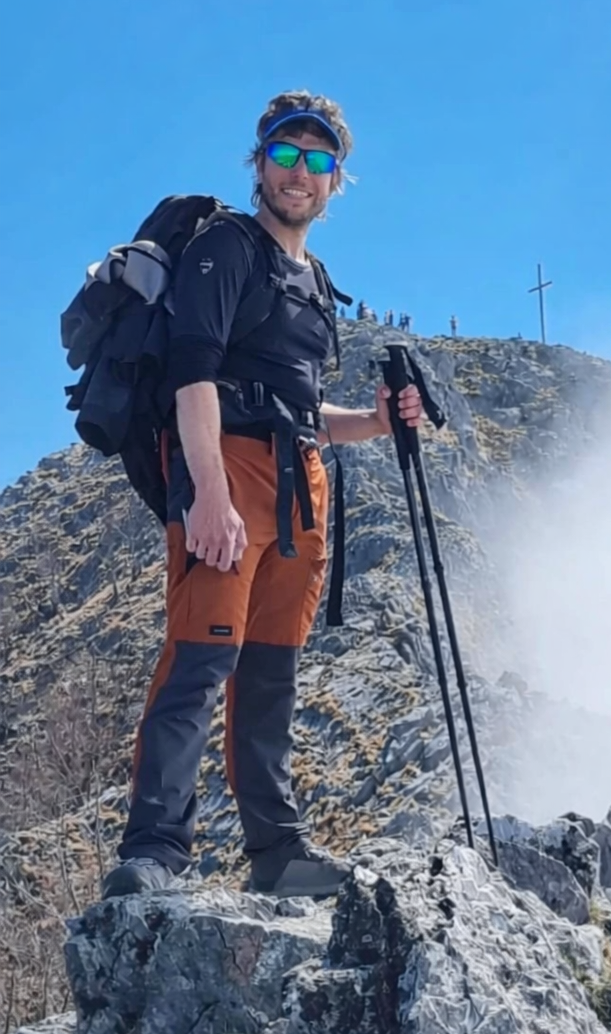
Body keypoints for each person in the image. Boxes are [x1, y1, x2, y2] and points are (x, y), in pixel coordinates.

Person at [101, 90, 424, 901]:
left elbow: (303, 407)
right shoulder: (225, 247)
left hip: (299, 484)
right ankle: (153, 853)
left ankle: (276, 853)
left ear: (335, 180)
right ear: (260, 163)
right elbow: (194, 372)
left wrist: (379, 421)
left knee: (271, 670)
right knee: (201, 654)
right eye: (286, 155)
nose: (300, 173)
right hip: (226, 468)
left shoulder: (313, 281)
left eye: (318, 161)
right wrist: (207, 493)